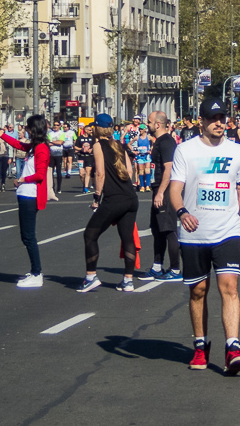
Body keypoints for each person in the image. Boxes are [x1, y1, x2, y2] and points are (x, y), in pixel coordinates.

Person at [169, 96, 240, 373]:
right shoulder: (185, 151)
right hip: (194, 234)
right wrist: (182, 212)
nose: (220, 123)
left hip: (227, 230)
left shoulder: (238, 151)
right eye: (213, 119)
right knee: (198, 291)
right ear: (201, 121)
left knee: (229, 287)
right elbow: (174, 189)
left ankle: (233, 348)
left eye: (222, 118)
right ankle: (201, 346)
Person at [77, 114, 139, 292]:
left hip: (114, 199)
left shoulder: (98, 145)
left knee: (90, 235)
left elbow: (100, 173)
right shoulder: (118, 144)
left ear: (97, 128)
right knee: (127, 238)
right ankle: (128, 280)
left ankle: (91, 276)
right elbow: (129, 170)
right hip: (130, 197)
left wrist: (97, 197)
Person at [0, 115, 50, 288]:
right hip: (25, 194)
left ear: (34, 129)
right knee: (26, 236)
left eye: (27, 127)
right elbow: (17, 144)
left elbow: (40, 174)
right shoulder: (34, 146)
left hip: (30, 195)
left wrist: (22, 180)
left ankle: (36, 273)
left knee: (28, 237)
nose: (25, 130)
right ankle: (34, 271)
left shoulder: (41, 149)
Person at [140, 110, 182, 282]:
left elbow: (169, 168)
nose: (147, 125)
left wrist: (161, 192)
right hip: (158, 188)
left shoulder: (166, 142)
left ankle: (175, 269)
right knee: (157, 229)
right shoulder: (159, 141)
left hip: (165, 191)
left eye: (149, 122)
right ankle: (157, 266)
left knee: (168, 229)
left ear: (157, 124)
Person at [135, 125, 153, 192]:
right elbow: (129, 143)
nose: (140, 130)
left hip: (147, 155)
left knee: (147, 170)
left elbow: (154, 141)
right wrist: (134, 151)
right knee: (141, 171)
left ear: (145, 130)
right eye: (139, 129)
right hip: (140, 156)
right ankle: (142, 186)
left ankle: (147, 186)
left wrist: (151, 149)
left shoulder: (148, 137)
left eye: (141, 129)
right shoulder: (137, 137)